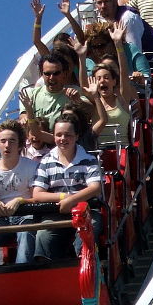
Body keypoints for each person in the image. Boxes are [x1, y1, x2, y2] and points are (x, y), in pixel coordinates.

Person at [32, 112, 102, 261]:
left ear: (76, 136)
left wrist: (72, 201)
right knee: (43, 235)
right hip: (56, 212)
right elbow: (37, 194)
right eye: (58, 135)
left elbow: (95, 188)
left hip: (86, 210)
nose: (63, 139)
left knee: (89, 229)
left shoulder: (88, 160)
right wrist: (64, 197)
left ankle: (84, 263)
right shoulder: (46, 161)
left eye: (67, 135)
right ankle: (47, 270)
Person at [0, 121, 37, 266]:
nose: (7, 145)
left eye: (12, 141)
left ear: (20, 145)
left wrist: (20, 200)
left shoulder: (32, 166)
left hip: (27, 215)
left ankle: (21, 273)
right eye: (3, 141)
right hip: (3, 218)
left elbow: (37, 197)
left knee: (25, 232)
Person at [84, 21, 138, 146]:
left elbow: (124, 72)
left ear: (114, 80)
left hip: (122, 152)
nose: (102, 81)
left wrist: (118, 44)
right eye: (99, 79)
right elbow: (83, 85)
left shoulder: (122, 97)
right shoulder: (94, 101)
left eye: (107, 77)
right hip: (99, 154)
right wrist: (82, 58)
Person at [19, 52, 88, 134]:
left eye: (56, 73)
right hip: (39, 142)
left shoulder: (75, 92)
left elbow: (90, 110)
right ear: (42, 74)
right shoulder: (32, 94)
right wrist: (24, 118)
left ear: (64, 74)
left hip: (65, 141)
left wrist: (78, 101)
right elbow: (23, 115)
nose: (51, 78)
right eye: (47, 74)